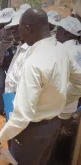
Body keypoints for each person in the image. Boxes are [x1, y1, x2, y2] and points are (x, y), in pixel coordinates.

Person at [0, 8, 81, 165]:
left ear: (27, 29)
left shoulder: (33, 63)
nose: (18, 33)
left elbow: (22, 117)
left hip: (31, 132)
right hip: (53, 125)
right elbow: (79, 82)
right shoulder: (61, 50)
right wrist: (62, 102)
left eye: (19, 28)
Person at [49, 16, 81, 165]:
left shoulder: (64, 50)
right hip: (71, 106)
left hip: (60, 106)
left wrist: (62, 100)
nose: (56, 33)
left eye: (59, 30)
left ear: (68, 33)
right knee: (64, 143)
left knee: (53, 143)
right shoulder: (77, 48)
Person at [0, 8, 17, 114]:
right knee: (1, 86)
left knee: (12, 88)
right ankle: (0, 109)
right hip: (3, 64)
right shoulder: (1, 31)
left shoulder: (17, 31)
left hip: (14, 64)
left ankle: (10, 111)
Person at [4, 10, 31, 94]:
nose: (12, 31)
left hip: (18, 98)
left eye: (16, 28)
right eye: (12, 28)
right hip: (9, 94)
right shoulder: (20, 47)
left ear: (27, 28)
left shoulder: (30, 50)